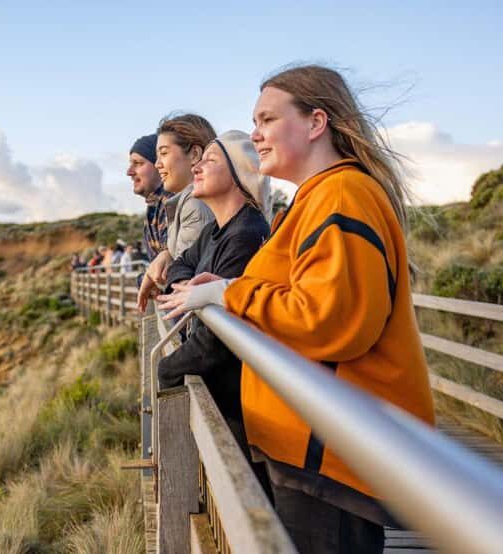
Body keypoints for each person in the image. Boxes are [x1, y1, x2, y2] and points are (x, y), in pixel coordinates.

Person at [157, 65, 435, 554]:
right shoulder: (318, 199)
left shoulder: (343, 195)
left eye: (267, 119)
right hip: (313, 449)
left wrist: (228, 295)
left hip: (331, 453)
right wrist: (233, 284)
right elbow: (306, 290)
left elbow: (331, 320)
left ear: (315, 123)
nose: (257, 134)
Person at [155, 131, 270, 455]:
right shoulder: (215, 231)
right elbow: (180, 264)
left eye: (211, 160)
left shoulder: (247, 234)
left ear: (238, 175)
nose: (197, 168)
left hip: (240, 408)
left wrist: (167, 369)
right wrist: (190, 286)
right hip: (223, 394)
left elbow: (219, 340)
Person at [137, 113, 216, 311]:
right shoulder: (186, 202)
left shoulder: (196, 204)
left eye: (164, 153)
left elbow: (183, 282)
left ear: (195, 155)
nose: (157, 164)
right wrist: (166, 254)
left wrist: (151, 275)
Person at [128, 133, 173, 261]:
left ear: (159, 164)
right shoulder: (154, 207)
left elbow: (166, 270)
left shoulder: (171, 204)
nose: (129, 172)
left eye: (137, 163)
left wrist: (142, 280)